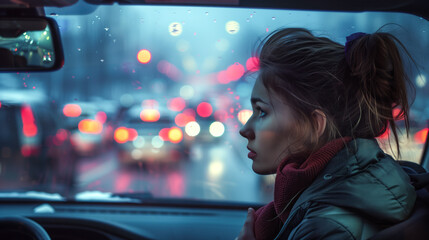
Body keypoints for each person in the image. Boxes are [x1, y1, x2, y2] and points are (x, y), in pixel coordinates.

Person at [236, 28, 417, 240]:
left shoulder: (324, 227)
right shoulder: (319, 202)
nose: (244, 130)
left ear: (315, 124)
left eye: (262, 112)